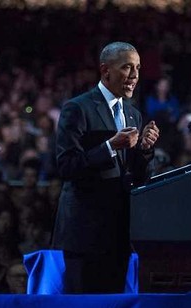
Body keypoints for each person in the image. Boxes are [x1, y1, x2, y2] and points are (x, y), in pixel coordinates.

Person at [52, 42, 160, 294]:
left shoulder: (133, 114)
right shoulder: (78, 108)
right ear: (105, 70)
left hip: (118, 235)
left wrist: (144, 150)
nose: (134, 75)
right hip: (85, 237)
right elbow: (66, 167)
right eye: (127, 67)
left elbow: (133, 176)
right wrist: (109, 147)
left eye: (138, 68)